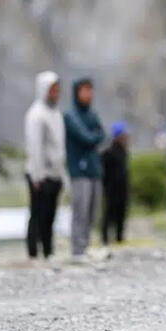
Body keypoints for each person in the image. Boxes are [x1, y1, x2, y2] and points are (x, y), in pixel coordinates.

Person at [25, 71, 65, 260]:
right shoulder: (36, 114)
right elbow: (35, 147)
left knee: (50, 215)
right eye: (53, 90)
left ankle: (48, 249)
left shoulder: (55, 113)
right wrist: (37, 175)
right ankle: (34, 251)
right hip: (40, 173)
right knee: (37, 213)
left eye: (58, 90)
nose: (56, 94)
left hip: (55, 172)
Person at [64, 77, 105, 260]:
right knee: (80, 209)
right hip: (79, 170)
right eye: (85, 90)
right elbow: (87, 137)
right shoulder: (70, 116)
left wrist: (94, 136)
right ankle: (77, 249)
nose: (89, 94)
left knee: (92, 210)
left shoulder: (93, 114)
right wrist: (93, 137)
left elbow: (101, 134)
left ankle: (86, 246)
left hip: (94, 169)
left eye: (91, 90)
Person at [100, 122, 130, 245]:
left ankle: (119, 237)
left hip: (122, 186)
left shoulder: (124, 150)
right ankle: (105, 238)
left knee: (121, 212)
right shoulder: (108, 152)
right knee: (109, 212)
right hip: (111, 187)